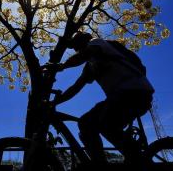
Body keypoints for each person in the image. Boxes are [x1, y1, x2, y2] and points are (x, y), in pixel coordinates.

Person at [52, 31, 155, 164]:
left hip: (134, 92)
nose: (78, 50)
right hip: (119, 97)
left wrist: (62, 66)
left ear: (85, 41)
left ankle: (137, 158)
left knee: (106, 124)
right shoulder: (91, 66)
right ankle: (99, 163)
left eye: (78, 46)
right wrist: (55, 102)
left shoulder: (98, 43)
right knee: (86, 123)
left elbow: (86, 54)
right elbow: (76, 87)